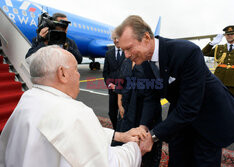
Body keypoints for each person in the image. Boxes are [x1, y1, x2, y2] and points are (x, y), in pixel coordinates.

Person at [114, 15, 234, 167]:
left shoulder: (187, 52)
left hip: (208, 117)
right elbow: (151, 97)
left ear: (146, 37)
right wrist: (143, 127)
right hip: (179, 119)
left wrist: (152, 136)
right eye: (123, 50)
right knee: (177, 159)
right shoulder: (144, 62)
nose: (126, 55)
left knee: (202, 161)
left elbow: (190, 106)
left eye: (129, 48)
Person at [0, 45, 149, 167]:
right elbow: (108, 163)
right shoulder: (76, 113)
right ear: (62, 74)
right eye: (76, 70)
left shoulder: (29, 98)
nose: (78, 75)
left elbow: (78, 132)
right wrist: (136, 149)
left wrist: (120, 136)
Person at [117, 58, 163, 167]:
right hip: (130, 108)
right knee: (127, 143)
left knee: (149, 149)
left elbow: (155, 92)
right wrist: (120, 104)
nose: (126, 53)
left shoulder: (150, 62)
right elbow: (121, 82)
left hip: (148, 109)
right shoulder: (126, 61)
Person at [202, 25, 234, 100]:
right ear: (225, 35)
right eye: (227, 34)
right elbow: (203, 53)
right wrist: (212, 43)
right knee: (219, 102)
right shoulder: (219, 48)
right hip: (220, 80)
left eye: (232, 34)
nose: (229, 36)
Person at [103, 31, 125, 130]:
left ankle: (123, 129)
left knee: (124, 111)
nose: (116, 40)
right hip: (112, 89)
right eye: (114, 38)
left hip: (124, 89)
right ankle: (116, 130)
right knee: (112, 112)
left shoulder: (127, 51)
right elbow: (105, 72)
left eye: (118, 38)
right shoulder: (108, 53)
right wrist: (109, 84)